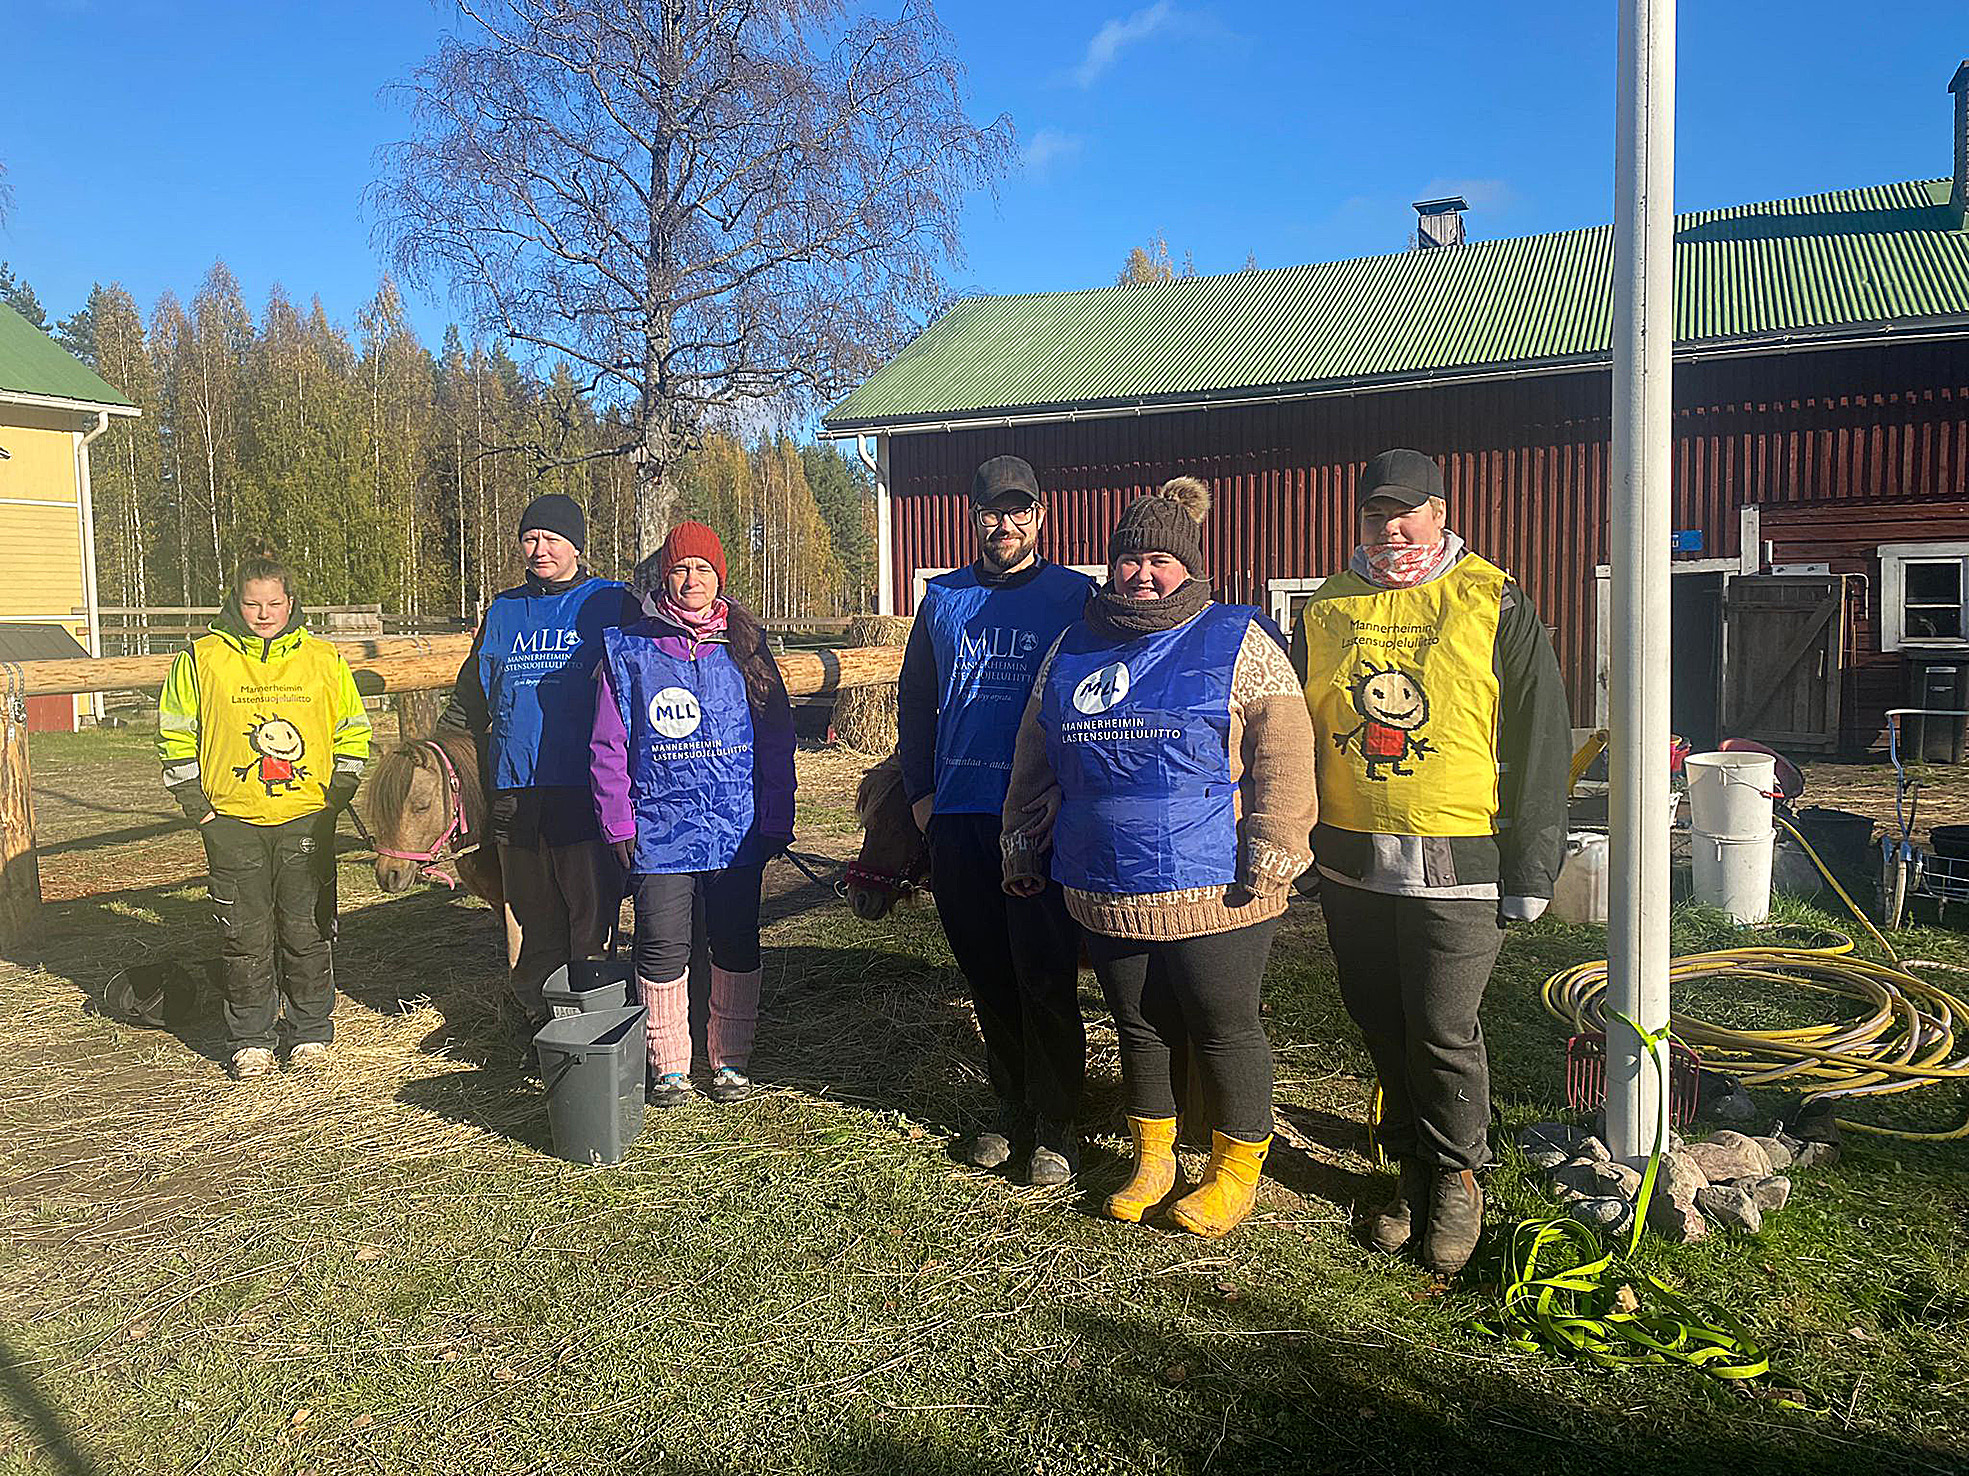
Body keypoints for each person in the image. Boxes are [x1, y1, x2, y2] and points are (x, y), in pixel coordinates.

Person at [1002, 479, 1317, 1238]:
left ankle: (1234, 1170)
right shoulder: (1072, 647)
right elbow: (1033, 754)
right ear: (1109, 568)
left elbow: (1285, 749)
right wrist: (1018, 836)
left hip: (1216, 886)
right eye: (1128, 560)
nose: (1142, 574)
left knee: (1223, 1024)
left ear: (1189, 566)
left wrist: (1278, 843)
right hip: (1103, 880)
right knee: (1137, 1025)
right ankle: (1155, 1159)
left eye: (1159, 561)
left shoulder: (1238, 638)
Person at [1291, 448, 1571, 1275]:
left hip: (1458, 861)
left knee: (1442, 1027)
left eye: (1405, 512)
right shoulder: (1327, 605)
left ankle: (1456, 1177)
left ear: (1440, 513)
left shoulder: (1490, 596)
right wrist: (1298, 839)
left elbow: (1541, 734)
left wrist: (1532, 865)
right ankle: (1410, 1166)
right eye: (1375, 513)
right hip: (1350, 861)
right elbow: (1296, 724)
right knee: (1378, 1017)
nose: (1390, 527)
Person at [896, 455, 1096, 1185]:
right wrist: (920, 795)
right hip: (957, 816)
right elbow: (915, 700)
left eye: (1019, 512)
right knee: (985, 972)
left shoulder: (1075, 596)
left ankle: (1056, 1122)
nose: (1004, 525)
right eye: (991, 512)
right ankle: (1007, 1105)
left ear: (1040, 517)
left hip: (1036, 820)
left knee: (1043, 975)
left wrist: (1073, 794)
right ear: (972, 517)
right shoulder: (943, 599)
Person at [590, 522, 795, 1106]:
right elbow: (607, 745)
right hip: (659, 829)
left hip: (735, 828)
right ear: (664, 577)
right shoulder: (629, 650)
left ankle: (730, 1060)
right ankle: (670, 1064)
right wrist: (618, 821)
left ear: (719, 578)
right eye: (681, 569)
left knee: (734, 941)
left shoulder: (747, 649)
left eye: (703, 569)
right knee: (660, 943)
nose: (691, 580)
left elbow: (776, 741)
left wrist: (777, 813)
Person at [157, 553, 371, 1078]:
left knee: (306, 927)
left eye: (274, 603)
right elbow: (174, 731)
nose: (263, 613)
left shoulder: (323, 659)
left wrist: (337, 791)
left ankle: (310, 1030)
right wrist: (197, 806)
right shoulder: (202, 657)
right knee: (244, 932)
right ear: (236, 602)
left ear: (290, 603)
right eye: (252, 603)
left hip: (306, 816)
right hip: (231, 819)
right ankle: (250, 1035)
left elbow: (353, 727)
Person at [438, 494, 640, 1029]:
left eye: (552, 538)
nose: (540, 548)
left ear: (577, 544)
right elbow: (467, 703)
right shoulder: (503, 612)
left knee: (589, 909)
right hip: (516, 786)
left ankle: (590, 1009)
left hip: (583, 786)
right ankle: (534, 1012)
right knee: (528, 910)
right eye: (530, 538)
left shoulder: (610, 603)